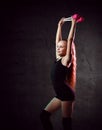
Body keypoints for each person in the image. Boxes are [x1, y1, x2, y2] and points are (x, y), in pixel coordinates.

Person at [40, 14, 84, 130]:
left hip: (66, 95)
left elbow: (70, 40)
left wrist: (73, 24)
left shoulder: (66, 60)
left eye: (61, 47)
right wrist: (59, 26)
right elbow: (57, 41)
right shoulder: (59, 58)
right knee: (44, 116)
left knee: (66, 123)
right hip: (60, 95)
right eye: (58, 47)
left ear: (67, 50)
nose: (58, 48)